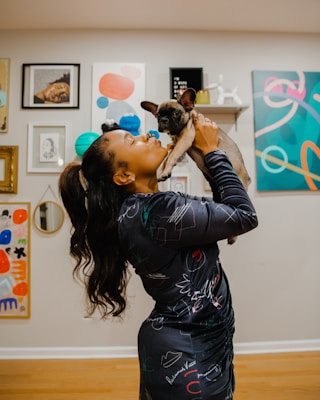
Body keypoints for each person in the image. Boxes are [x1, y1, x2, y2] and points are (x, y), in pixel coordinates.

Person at [59, 113, 258, 400]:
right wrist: (212, 150)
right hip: (188, 354)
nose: (147, 135)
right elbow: (244, 215)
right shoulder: (159, 211)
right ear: (124, 176)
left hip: (193, 344)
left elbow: (225, 211)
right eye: (132, 140)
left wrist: (202, 149)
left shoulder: (140, 210)